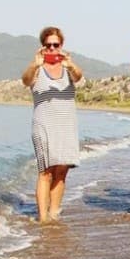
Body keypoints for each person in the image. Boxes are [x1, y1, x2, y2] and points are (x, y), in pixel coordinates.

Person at [20, 26, 83, 223]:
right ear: (42, 47)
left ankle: (54, 213)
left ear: (61, 45)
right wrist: (34, 64)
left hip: (66, 124)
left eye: (56, 45)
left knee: (62, 171)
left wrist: (70, 64)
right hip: (44, 125)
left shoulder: (68, 68)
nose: (52, 48)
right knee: (45, 171)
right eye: (48, 45)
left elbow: (79, 77)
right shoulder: (36, 69)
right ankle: (43, 218)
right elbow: (26, 81)